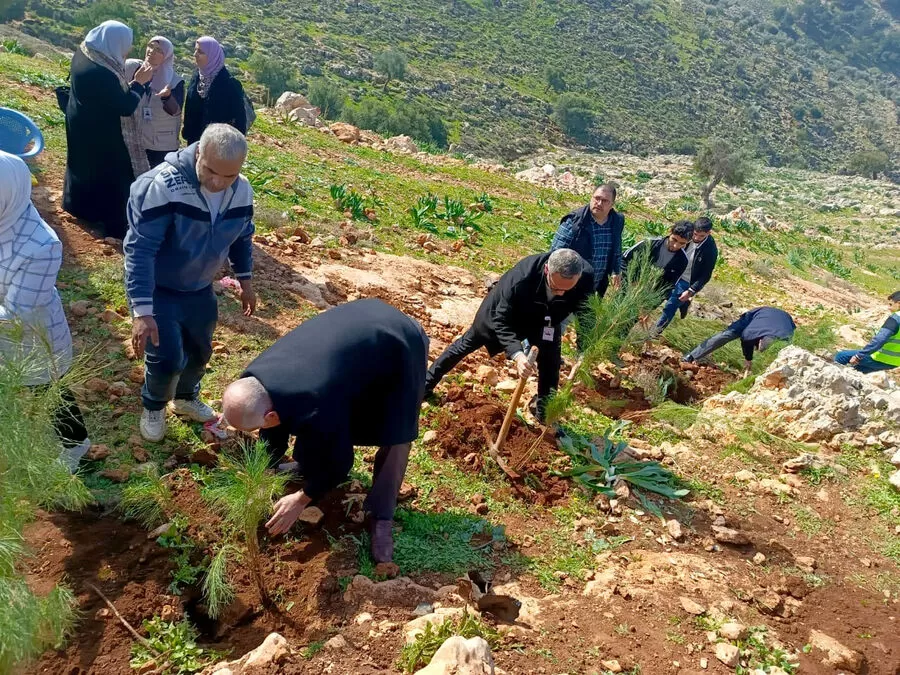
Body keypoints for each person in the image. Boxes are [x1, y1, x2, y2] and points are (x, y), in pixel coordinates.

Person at [221, 299, 428, 574]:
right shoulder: (257, 380)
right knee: (314, 417)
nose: (261, 430)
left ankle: (381, 515)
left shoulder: (316, 399)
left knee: (396, 431)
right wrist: (261, 474)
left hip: (400, 344)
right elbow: (276, 424)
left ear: (269, 417)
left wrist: (302, 499)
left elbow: (341, 462)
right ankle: (307, 466)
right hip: (356, 338)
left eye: (258, 427)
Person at [124, 124, 256, 443]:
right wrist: (142, 312)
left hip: (199, 288)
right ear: (199, 153)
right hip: (161, 289)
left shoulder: (241, 190)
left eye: (229, 176)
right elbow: (140, 249)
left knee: (200, 350)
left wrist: (246, 280)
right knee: (166, 357)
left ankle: (185, 399)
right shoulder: (162, 185)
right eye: (212, 172)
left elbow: (242, 237)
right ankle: (154, 405)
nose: (218, 183)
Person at [424, 249, 593, 421]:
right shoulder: (521, 278)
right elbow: (501, 319)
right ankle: (425, 385)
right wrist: (518, 355)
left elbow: (587, 313)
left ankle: (545, 413)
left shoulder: (586, 277)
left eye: (567, 289)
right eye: (556, 287)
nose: (561, 293)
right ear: (547, 270)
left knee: (551, 361)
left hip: (547, 319)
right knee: (467, 343)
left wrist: (585, 348)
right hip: (506, 314)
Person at [0, 151, 90, 472]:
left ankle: (75, 445)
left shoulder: (41, 247)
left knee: (49, 393)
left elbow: (17, 317)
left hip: (34, 341)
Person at [63, 20, 153, 239]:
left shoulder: (87, 52)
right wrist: (139, 83)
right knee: (112, 175)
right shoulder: (100, 71)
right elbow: (125, 106)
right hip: (100, 132)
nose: (129, 49)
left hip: (82, 122)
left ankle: (79, 207)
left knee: (82, 166)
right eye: (126, 44)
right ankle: (113, 223)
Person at [551, 184, 624, 298]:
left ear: (612, 205)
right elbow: (555, 253)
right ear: (591, 197)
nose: (599, 203)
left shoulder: (616, 221)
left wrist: (616, 270)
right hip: (571, 284)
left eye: (605, 201)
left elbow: (617, 247)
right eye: (597, 198)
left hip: (597, 285)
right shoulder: (575, 221)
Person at [126, 36, 185, 167]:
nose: (151, 51)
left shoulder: (174, 81)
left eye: (158, 50)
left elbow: (176, 111)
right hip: (135, 139)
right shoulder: (133, 69)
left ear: (167, 55)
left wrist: (167, 97)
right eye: (150, 46)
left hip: (160, 145)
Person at [682, 307, 796, 373]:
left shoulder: (786, 340)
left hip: (783, 318)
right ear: (760, 341)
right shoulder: (750, 333)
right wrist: (748, 358)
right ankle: (691, 356)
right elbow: (746, 338)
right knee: (726, 335)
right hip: (757, 315)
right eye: (758, 347)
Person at [655, 216, 718, 332]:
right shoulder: (685, 236)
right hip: (673, 273)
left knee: (670, 306)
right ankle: (683, 304)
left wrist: (691, 291)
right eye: (695, 234)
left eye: (701, 236)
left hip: (686, 280)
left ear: (709, 233)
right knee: (657, 297)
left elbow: (706, 274)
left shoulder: (711, 250)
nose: (696, 238)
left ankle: (654, 333)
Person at [182, 37, 247, 145]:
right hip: (194, 143)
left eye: (200, 52)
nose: (195, 54)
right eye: (195, 50)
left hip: (218, 147)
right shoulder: (196, 77)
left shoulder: (230, 85)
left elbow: (240, 123)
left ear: (213, 56)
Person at [834, 291, 900, 373]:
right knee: (857, 371)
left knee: (841, 356)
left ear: (898, 303)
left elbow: (880, 340)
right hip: (894, 363)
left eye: (891, 304)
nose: (888, 308)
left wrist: (859, 355)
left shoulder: (896, 318)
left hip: (879, 358)